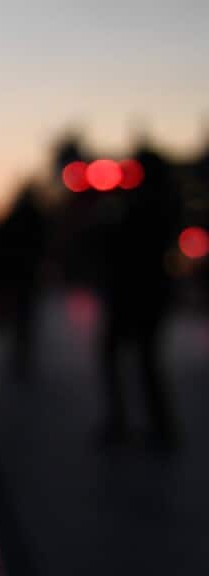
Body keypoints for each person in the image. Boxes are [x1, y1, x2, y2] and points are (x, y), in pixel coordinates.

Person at [97, 148, 180, 449]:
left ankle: (130, 424)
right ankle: (159, 426)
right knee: (145, 360)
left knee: (126, 357)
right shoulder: (161, 202)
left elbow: (125, 247)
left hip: (134, 294)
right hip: (147, 293)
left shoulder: (144, 205)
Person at [0, 184, 48, 379]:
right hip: (27, 275)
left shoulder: (18, 217)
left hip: (19, 275)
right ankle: (22, 357)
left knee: (21, 317)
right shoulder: (34, 217)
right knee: (25, 318)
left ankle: (19, 357)